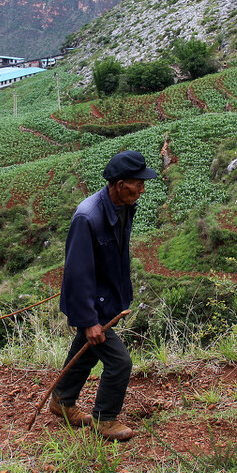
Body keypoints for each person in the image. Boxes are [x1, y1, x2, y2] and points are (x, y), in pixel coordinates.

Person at [51, 150, 158, 441]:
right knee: (119, 362)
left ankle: (62, 400)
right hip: (92, 305)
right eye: (139, 183)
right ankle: (105, 418)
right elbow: (78, 274)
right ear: (121, 184)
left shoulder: (121, 207)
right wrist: (88, 319)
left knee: (86, 351)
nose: (143, 189)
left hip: (106, 299)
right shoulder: (88, 217)